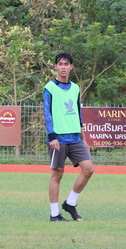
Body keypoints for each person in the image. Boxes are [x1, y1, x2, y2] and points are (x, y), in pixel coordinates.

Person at [43, 52, 94, 221]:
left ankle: (70, 203)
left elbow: (79, 114)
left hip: (75, 138)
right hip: (58, 138)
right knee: (57, 175)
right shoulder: (49, 88)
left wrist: (84, 138)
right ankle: (54, 214)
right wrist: (52, 137)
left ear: (71, 67)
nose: (63, 67)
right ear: (56, 67)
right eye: (60, 64)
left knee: (88, 169)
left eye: (66, 64)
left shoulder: (75, 87)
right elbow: (47, 114)